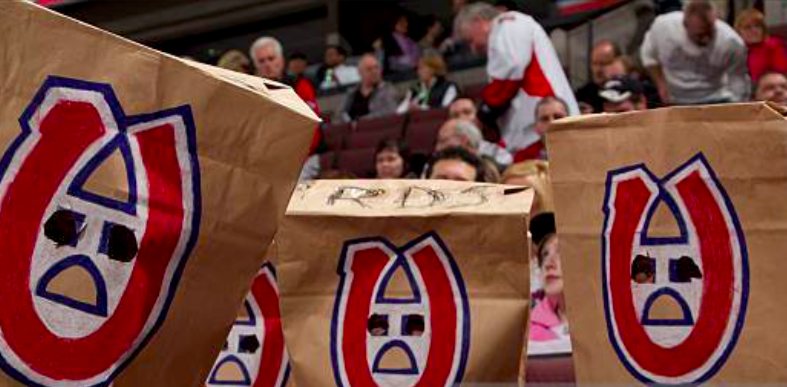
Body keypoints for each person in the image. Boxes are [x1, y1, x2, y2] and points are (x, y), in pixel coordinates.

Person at [455, 3, 579, 153]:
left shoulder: (509, 23)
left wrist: (483, 114)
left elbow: (511, 68)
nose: (473, 49)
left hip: (544, 122)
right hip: (531, 128)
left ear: (478, 21)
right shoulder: (504, 32)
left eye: (470, 40)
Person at [640, 0, 749, 105]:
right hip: (674, 98)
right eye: (700, 35)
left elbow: (737, 78)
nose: (706, 39)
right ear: (685, 25)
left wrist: (737, 107)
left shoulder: (731, 42)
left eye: (710, 32)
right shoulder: (663, 28)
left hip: (715, 97)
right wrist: (661, 84)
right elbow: (649, 56)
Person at [528, 228, 571, 354]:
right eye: (544, 255)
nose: (548, 264)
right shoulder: (527, 332)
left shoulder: (606, 322)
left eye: (560, 252)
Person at [250, 36, 320, 113]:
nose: (267, 64)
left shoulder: (300, 84)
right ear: (255, 65)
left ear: (281, 60)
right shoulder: (251, 92)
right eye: (261, 61)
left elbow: (313, 118)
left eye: (271, 58)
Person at [435, 119, 506, 182]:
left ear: (464, 140)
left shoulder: (496, 173)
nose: (437, 148)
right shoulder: (433, 165)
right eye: (441, 179)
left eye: (443, 140)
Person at [335, 54, 399, 123]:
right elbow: (338, 116)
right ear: (360, 73)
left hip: (376, 129)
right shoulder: (351, 93)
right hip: (351, 131)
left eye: (376, 67)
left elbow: (389, 112)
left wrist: (359, 121)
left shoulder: (388, 90)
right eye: (369, 69)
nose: (374, 71)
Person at [735, 9, 787, 83]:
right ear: (739, 32)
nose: (754, 30)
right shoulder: (737, 49)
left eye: (757, 26)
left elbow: (781, 75)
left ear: (763, 29)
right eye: (747, 27)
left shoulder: (773, 45)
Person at [514, 97, 568, 162]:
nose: (551, 123)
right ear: (536, 127)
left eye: (558, 117)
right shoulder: (522, 160)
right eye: (544, 119)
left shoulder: (583, 146)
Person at [576, 40, 623, 113]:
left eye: (603, 64)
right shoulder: (583, 95)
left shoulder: (632, 89)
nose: (597, 70)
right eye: (594, 64)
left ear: (618, 62)